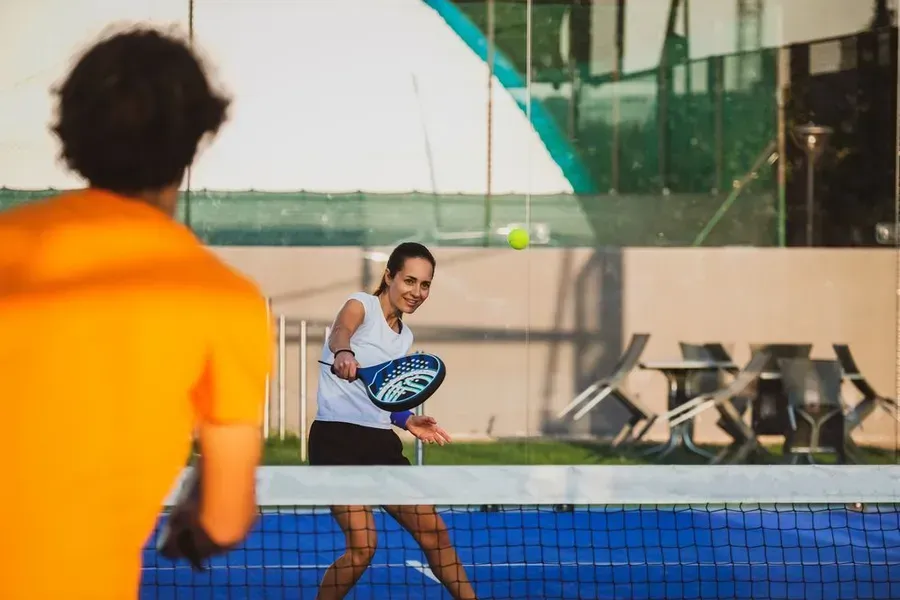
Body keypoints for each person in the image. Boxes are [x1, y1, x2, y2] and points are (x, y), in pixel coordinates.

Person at [0, 27, 271, 599]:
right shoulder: (226, 300)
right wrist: (196, 521)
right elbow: (225, 519)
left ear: (71, 129)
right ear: (197, 137)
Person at [308, 242, 477, 600]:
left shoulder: (405, 336)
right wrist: (343, 351)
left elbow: (381, 394)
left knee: (434, 532)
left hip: (380, 443)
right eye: (410, 281)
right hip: (335, 441)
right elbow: (341, 329)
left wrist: (406, 419)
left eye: (425, 285)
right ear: (389, 276)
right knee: (363, 545)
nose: (417, 292)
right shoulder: (361, 305)